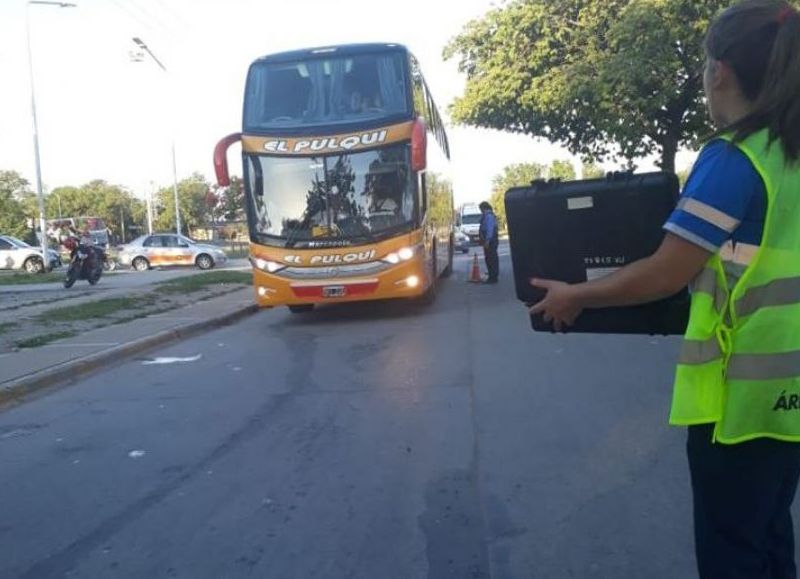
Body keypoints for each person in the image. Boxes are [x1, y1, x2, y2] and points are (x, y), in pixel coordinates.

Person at [530, 1, 800, 577]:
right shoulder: (790, 157)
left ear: (719, 71)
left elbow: (665, 271)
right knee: (771, 532)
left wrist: (577, 294)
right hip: (791, 396)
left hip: (740, 400)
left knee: (734, 550)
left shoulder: (734, 159)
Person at [479, 201, 499, 284]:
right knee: (490, 258)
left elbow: (490, 229)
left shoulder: (488, 216)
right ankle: (492, 275)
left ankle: (493, 277)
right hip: (490, 240)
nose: (480, 211)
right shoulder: (487, 216)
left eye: (481, 209)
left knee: (491, 258)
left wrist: (487, 240)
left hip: (490, 241)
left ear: (484, 208)